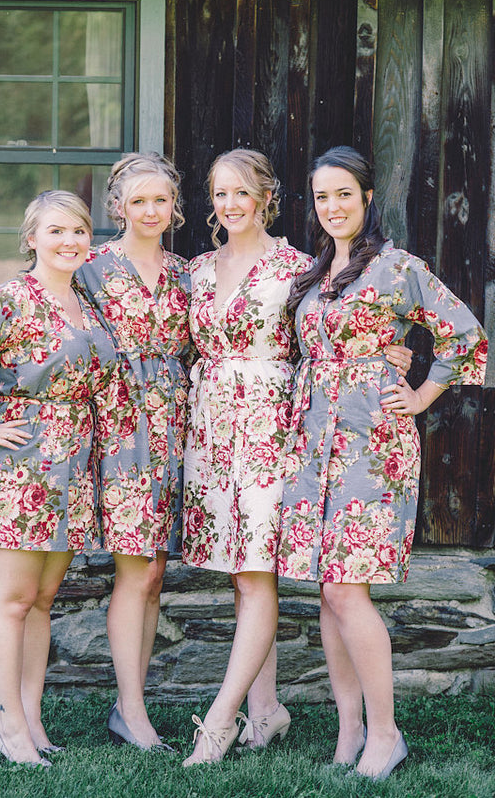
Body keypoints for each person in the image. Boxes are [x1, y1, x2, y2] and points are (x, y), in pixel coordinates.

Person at [180, 148, 414, 766]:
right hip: (210, 430)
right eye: (220, 193)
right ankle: (265, 710)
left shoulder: (297, 269)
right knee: (241, 572)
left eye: (242, 192)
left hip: (275, 431)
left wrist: (399, 356)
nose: (230, 203)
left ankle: (221, 722)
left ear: (268, 198)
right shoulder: (198, 270)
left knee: (259, 572)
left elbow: (337, 328)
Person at [277, 146, 488, 780]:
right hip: (313, 441)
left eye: (344, 193)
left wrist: (421, 391)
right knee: (328, 592)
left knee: (346, 587)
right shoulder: (313, 272)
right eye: (321, 196)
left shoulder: (397, 267)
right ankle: (349, 733)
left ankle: (386, 733)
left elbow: (465, 333)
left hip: (372, 441)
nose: (332, 206)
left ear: (368, 198)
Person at [0, 191, 115, 767]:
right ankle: (8, 724)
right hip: (20, 464)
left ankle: (32, 718)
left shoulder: (87, 301)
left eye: (80, 231)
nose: (70, 242)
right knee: (12, 600)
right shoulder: (7, 300)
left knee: (42, 599)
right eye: (56, 232)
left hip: (74, 465)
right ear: (31, 239)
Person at [76, 153, 191, 750]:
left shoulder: (188, 272)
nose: (150, 211)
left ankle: (133, 705)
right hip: (115, 427)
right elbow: (42, 319)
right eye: (138, 200)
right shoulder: (91, 266)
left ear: (175, 207)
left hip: (176, 425)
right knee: (135, 568)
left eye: (161, 200)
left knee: (153, 573)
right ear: (117, 207)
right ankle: (131, 710)